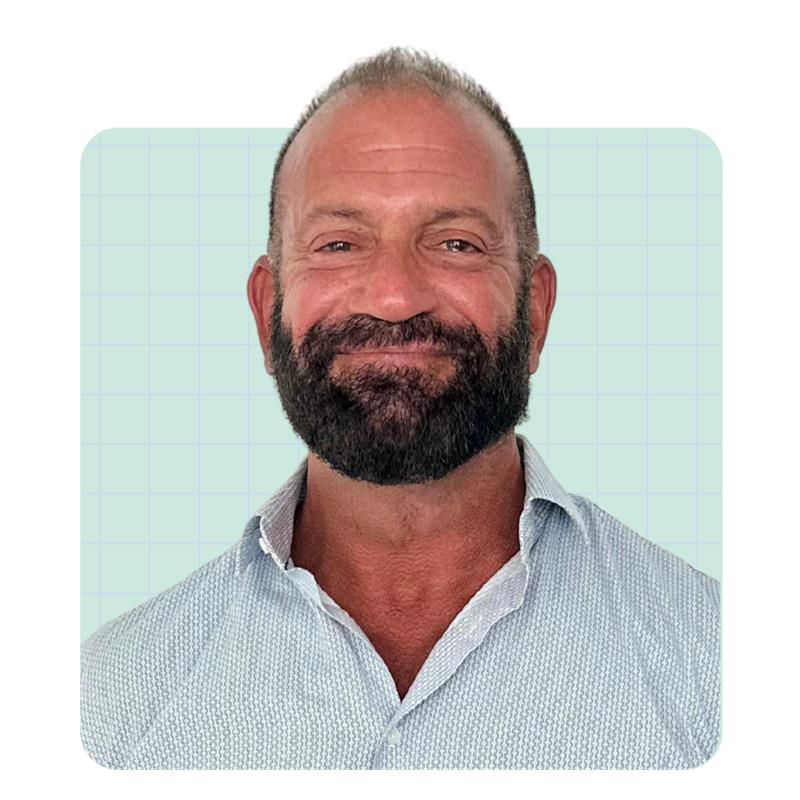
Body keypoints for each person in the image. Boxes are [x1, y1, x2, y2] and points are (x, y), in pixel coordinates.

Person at [80, 47, 720, 770]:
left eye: (455, 243)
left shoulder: (725, 680)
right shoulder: (108, 709)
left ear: (536, 312)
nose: (393, 296)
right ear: (266, 313)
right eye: (339, 244)